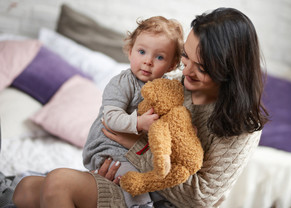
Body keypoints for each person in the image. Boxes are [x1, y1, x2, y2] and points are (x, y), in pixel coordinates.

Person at [13, 7, 268, 208]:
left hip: (164, 200)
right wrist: (112, 161)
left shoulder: (242, 127)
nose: (186, 70)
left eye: (202, 67)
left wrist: (133, 146)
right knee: (24, 191)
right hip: (130, 178)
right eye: (186, 57)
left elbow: (199, 198)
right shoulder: (176, 86)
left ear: (229, 70)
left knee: (59, 183)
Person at [12, 15, 184, 208]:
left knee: (59, 184)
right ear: (130, 51)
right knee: (23, 189)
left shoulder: (171, 91)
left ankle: (141, 201)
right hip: (109, 150)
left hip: (137, 160)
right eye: (142, 51)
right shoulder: (122, 83)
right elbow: (110, 118)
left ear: (172, 65)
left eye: (159, 57)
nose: (148, 61)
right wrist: (138, 123)